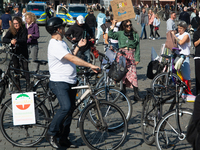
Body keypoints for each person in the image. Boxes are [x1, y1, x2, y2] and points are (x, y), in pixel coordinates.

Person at [45, 17, 100, 149]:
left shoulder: (62, 42)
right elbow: (72, 59)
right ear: (58, 29)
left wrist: (78, 47)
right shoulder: (54, 44)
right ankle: (51, 133)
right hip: (59, 82)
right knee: (65, 107)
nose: (64, 29)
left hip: (70, 80)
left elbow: (69, 56)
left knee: (70, 111)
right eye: (62, 27)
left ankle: (64, 138)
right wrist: (90, 65)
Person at [108, 19, 144, 101]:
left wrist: (137, 58)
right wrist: (113, 24)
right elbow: (110, 34)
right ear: (124, 26)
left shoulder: (135, 35)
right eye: (127, 25)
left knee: (134, 75)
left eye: (130, 25)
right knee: (122, 75)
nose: (129, 27)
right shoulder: (120, 33)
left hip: (131, 57)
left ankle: (136, 95)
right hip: (122, 56)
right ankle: (123, 93)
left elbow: (137, 47)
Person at [2, 17, 30, 90]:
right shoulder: (11, 30)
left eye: (17, 23)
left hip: (23, 51)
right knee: (16, 68)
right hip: (14, 52)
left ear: (20, 23)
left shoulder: (24, 30)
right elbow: (4, 39)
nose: (15, 25)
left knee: (25, 68)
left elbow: (24, 40)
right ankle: (18, 85)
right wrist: (11, 41)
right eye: (14, 24)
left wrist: (16, 40)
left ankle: (28, 84)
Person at [171, 21, 191, 91]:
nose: (179, 29)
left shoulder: (186, 35)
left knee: (186, 76)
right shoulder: (177, 35)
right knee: (178, 75)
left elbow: (181, 42)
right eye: (178, 28)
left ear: (185, 28)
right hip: (177, 56)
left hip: (185, 57)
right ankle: (179, 91)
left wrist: (174, 36)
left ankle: (188, 91)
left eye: (181, 28)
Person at [193, 23, 200, 95]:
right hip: (198, 57)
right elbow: (195, 44)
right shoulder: (196, 33)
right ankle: (198, 92)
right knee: (198, 76)